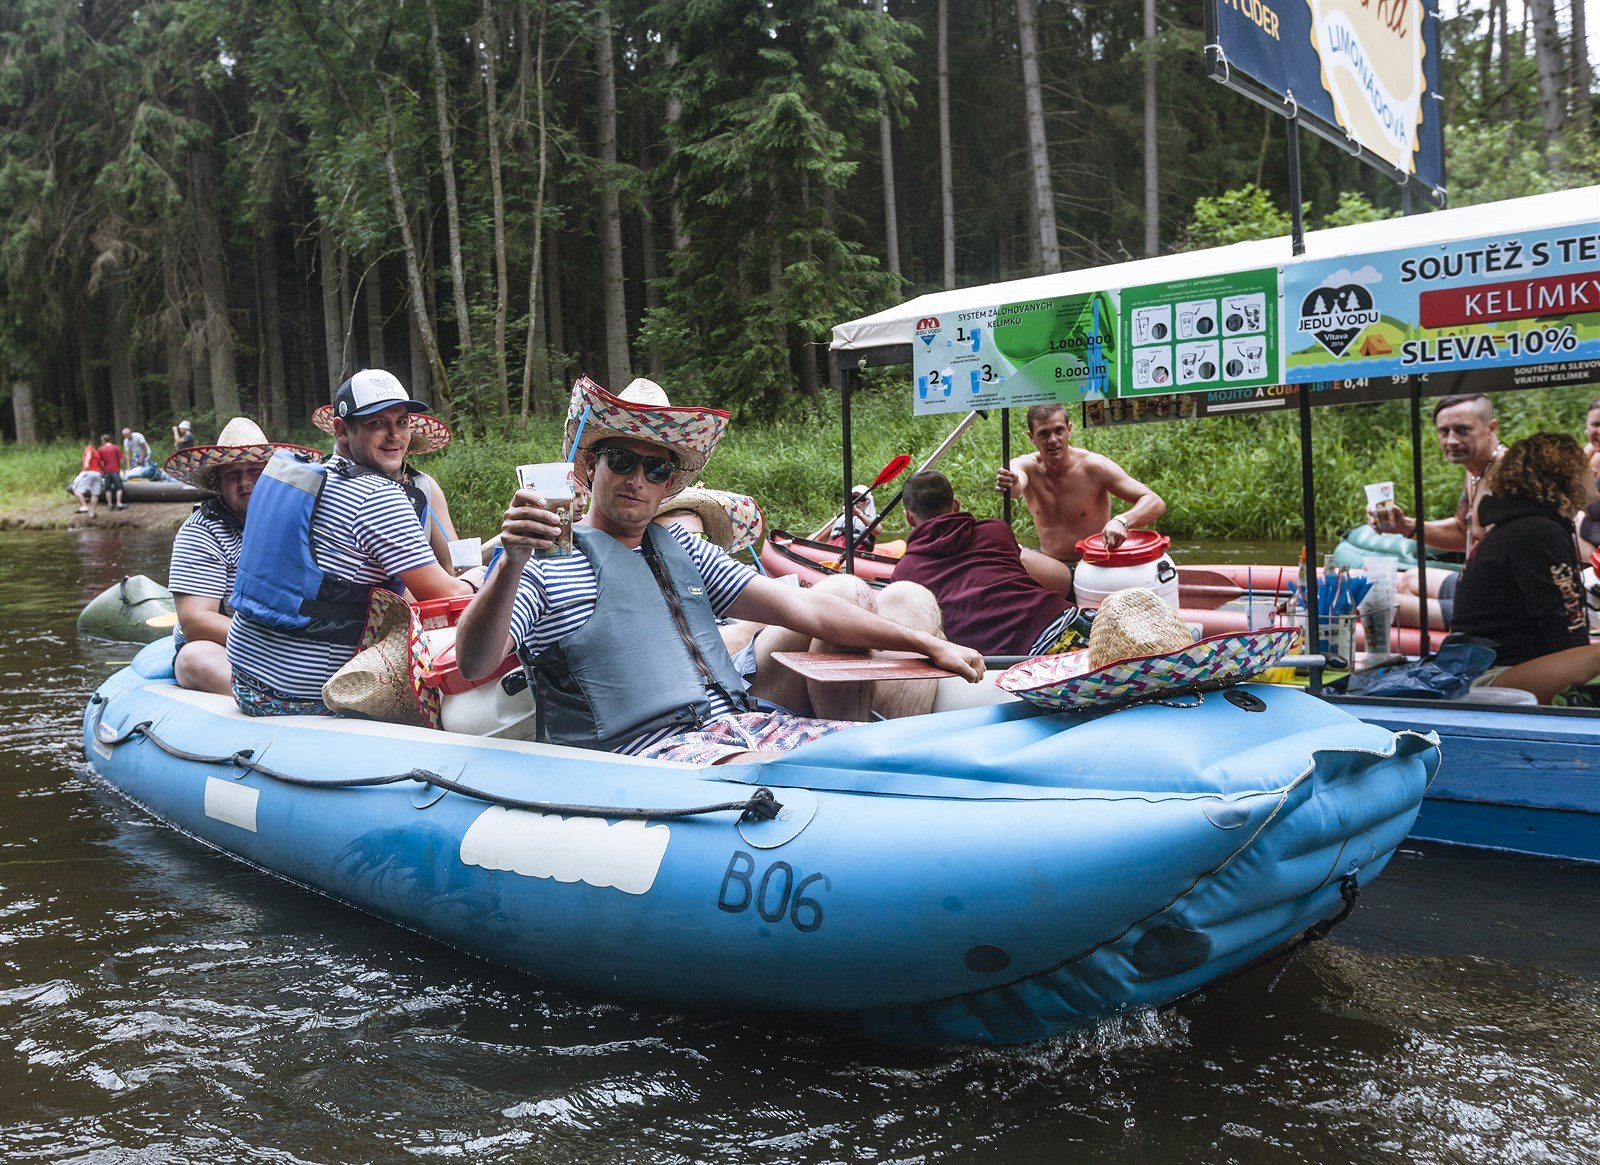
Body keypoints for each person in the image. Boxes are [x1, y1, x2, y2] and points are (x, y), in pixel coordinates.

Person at [455, 376, 983, 766]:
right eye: (622, 460)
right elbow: (475, 661)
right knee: (822, 774)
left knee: (873, 754)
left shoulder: (680, 547)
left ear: (668, 485)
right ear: (591, 467)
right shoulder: (543, 563)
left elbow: (806, 607)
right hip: (647, 756)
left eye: (656, 468)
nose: (638, 479)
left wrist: (925, 643)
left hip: (739, 725)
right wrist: (510, 562)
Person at [226, 369, 479, 716]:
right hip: (307, 695)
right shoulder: (377, 496)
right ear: (342, 430)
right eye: (377, 424)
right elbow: (445, 595)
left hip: (245, 681)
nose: (395, 436)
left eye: (402, 422)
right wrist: (480, 579)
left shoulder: (310, 477)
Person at [162, 418, 323, 695]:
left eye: (255, 471)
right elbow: (196, 621)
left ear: (273, 476)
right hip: (227, 645)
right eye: (232, 475)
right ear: (218, 483)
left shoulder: (298, 520)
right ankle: (278, 697)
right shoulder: (201, 531)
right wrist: (277, 644)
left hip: (292, 641)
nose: (245, 482)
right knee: (194, 659)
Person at [1449, 433, 1600, 704]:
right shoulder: (1539, 534)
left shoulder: (1523, 526)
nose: (1592, 471)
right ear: (1566, 475)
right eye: (1584, 467)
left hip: (1486, 670)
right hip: (1488, 678)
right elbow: (1564, 629)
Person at [890, 470, 1090, 657]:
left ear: (909, 517)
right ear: (956, 505)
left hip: (1023, 658)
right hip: (1067, 620)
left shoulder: (905, 574)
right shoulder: (996, 530)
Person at [995, 403, 1165, 596]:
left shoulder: (1094, 466)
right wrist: (1011, 482)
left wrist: (1122, 521)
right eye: (1043, 434)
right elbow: (1016, 484)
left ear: (1069, 429)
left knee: (1020, 559)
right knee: (1000, 552)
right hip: (1050, 567)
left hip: (1093, 567)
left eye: (1059, 430)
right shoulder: (1026, 466)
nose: (1053, 440)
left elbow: (1154, 501)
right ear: (1031, 437)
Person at [1377, 394, 1507, 628]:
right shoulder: (1476, 469)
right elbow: (1462, 531)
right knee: (1410, 578)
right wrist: (1405, 526)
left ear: (1490, 428)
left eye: (1462, 430)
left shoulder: (1508, 477)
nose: (1452, 440)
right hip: (1474, 586)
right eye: (1444, 431)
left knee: (1379, 606)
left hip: (1499, 605)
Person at [72, 439, 102, 518]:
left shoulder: (89, 448)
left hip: (88, 472)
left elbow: (88, 454)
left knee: (75, 488)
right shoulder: (97, 453)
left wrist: (86, 463)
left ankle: (84, 506)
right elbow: (101, 464)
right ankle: (92, 513)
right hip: (97, 473)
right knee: (95, 494)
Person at [97, 433, 126, 511]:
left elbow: (101, 462)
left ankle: (109, 504)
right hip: (115, 470)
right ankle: (118, 503)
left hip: (106, 471)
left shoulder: (100, 449)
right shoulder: (116, 448)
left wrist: (101, 471)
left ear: (103, 441)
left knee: (108, 488)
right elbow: (121, 460)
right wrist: (123, 469)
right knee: (119, 487)